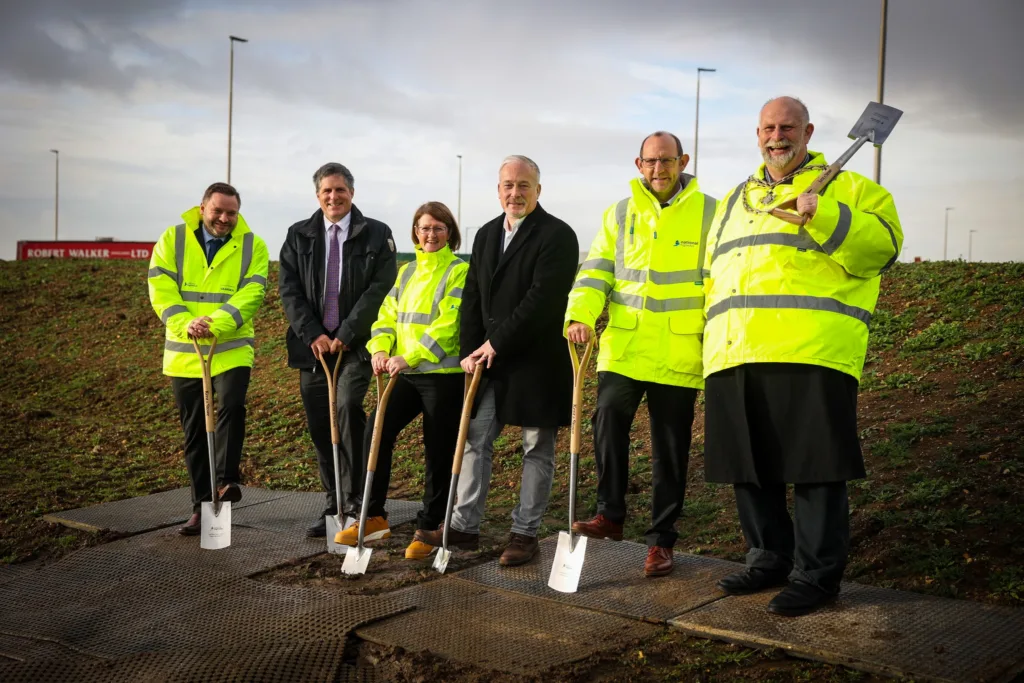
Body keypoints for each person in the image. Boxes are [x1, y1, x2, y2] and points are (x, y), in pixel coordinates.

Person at [702, 96, 902, 616]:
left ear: (808, 131)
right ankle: (769, 556)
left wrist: (825, 213)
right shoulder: (732, 201)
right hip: (735, 351)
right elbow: (713, 276)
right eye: (768, 127)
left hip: (809, 350)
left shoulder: (852, 188)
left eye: (787, 127)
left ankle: (817, 576)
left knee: (814, 468)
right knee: (750, 465)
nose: (777, 136)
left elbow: (882, 248)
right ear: (757, 133)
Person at [565, 132, 717, 577]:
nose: (658, 170)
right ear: (638, 163)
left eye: (667, 161)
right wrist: (580, 315)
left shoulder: (711, 211)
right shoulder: (620, 212)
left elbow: (721, 275)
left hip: (680, 346)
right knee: (607, 417)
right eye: (650, 162)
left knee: (669, 449)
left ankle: (661, 541)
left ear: (683, 161)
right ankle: (610, 515)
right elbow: (596, 272)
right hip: (626, 346)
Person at [414, 155, 579, 566]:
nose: (515, 192)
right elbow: (473, 297)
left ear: (538, 190)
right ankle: (464, 525)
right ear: (498, 189)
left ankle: (524, 534)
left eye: (524, 185)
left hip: (537, 361)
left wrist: (496, 343)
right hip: (490, 362)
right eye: (508, 185)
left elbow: (541, 301)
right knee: (475, 438)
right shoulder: (487, 235)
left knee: (536, 448)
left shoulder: (558, 235)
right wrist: (473, 349)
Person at [334, 202, 468, 560]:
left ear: (450, 232)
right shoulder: (406, 271)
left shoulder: (459, 271)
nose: (431, 234)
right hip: (403, 374)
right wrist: (379, 349)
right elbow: (385, 316)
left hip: (441, 375)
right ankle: (373, 514)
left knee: (437, 451)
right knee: (376, 432)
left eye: (439, 228)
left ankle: (429, 526)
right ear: (415, 233)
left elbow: (449, 324)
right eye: (425, 228)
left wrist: (411, 355)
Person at [278, 162, 398, 538]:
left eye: (340, 190)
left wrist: (346, 333)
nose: (334, 197)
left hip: (356, 346)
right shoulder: (299, 235)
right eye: (327, 191)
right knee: (320, 425)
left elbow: (380, 288)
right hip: (312, 349)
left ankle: (358, 502)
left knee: (346, 409)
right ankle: (334, 502)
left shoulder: (376, 234)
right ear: (318, 195)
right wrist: (313, 333)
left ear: (352, 193)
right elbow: (289, 289)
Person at [147, 182, 269, 536]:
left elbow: (253, 291)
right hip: (187, 349)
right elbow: (160, 286)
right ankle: (201, 506)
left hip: (230, 345)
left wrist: (214, 323)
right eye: (218, 210)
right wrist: (187, 323)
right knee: (195, 430)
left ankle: (226, 483)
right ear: (202, 208)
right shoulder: (173, 239)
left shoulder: (252, 245)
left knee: (231, 405)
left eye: (231, 212)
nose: (224, 218)